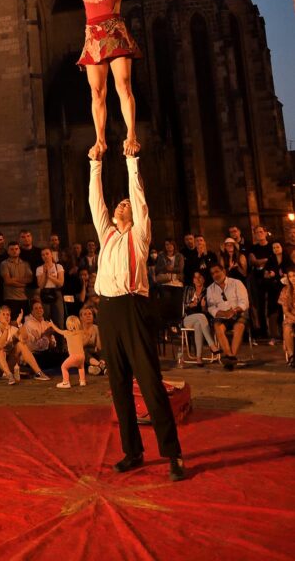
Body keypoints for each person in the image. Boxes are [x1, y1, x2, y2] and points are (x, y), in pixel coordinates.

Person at [89, 152, 185, 481]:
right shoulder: (107, 234)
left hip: (133, 307)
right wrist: (95, 164)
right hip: (109, 309)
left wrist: (132, 162)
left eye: (126, 204)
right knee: (118, 385)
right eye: (120, 204)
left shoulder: (139, 236)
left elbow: (141, 201)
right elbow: (95, 201)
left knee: (148, 381)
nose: (122, 205)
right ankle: (133, 451)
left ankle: (172, 454)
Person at [65, 0, 141, 157]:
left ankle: (131, 135)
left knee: (123, 84)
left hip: (115, 35)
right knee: (97, 92)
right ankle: (100, 141)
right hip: (95, 40)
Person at [0, 305, 50, 385]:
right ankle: (9, 375)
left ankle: (38, 373)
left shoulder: (13, 329)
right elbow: (0, 345)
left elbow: (24, 339)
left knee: (21, 344)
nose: (6, 317)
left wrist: (19, 324)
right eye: (3, 314)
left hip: (7, 363)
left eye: (8, 315)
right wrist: (6, 329)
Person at [206, 263, 250, 368]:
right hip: (222, 315)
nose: (215, 275)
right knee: (218, 327)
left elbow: (244, 302)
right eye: (212, 273)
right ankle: (230, 356)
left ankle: (231, 357)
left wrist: (234, 311)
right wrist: (223, 313)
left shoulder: (236, 283)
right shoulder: (210, 289)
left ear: (224, 271)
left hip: (237, 313)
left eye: (217, 271)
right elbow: (211, 307)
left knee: (239, 326)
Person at [182, 271, 219, 364]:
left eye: (200, 277)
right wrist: (190, 305)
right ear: (193, 280)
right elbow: (183, 306)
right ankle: (212, 345)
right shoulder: (188, 289)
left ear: (204, 280)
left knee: (199, 323)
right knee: (200, 317)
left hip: (202, 321)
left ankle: (199, 358)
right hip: (188, 319)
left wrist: (203, 307)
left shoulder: (207, 291)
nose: (197, 279)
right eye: (195, 277)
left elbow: (208, 312)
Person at [54, 315, 87, 389]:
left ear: (68, 325)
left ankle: (66, 382)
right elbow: (87, 334)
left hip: (74, 356)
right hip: (82, 356)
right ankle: (82, 381)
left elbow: (58, 331)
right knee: (81, 367)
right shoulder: (81, 332)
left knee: (64, 367)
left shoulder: (67, 332)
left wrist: (52, 325)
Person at [36, 247, 65, 329]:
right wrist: (45, 273)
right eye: (43, 255)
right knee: (46, 319)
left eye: (47, 254)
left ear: (51, 255)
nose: (45, 256)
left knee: (59, 319)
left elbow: (60, 283)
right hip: (45, 293)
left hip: (56, 293)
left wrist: (50, 276)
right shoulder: (39, 269)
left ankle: (60, 341)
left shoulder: (58, 267)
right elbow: (41, 285)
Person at [0, 242, 32, 314]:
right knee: (13, 322)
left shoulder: (25, 264)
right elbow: (8, 281)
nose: (14, 251)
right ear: (8, 251)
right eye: (11, 249)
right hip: (10, 297)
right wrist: (23, 284)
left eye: (16, 249)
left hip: (24, 297)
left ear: (19, 250)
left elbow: (29, 279)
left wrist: (15, 279)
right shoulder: (4, 264)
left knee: (25, 322)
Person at [277, 269, 295, 368]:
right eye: (290, 276)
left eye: (294, 276)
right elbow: (285, 311)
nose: (293, 278)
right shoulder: (285, 290)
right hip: (291, 317)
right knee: (287, 327)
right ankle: (292, 356)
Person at [80, 306, 105, 375]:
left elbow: (99, 347)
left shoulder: (96, 328)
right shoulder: (78, 329)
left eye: (90, 314)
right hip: (83, 356)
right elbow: (79, 347)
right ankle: (101, 366)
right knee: (84, 351)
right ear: (81, 318)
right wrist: (88, 337)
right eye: (85, 314)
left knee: (103, 350)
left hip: (93, 352)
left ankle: (98, 367)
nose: (88, 316)